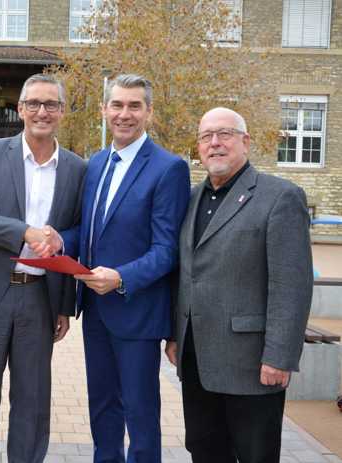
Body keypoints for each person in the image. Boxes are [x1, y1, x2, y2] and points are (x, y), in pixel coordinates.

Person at [50, 74, 191, 462]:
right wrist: (60, 240)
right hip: (96, 313)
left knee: (141, 414)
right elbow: (91, 231)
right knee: (102, 410)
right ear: (104, 110)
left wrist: (122, 278)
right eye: (117, 105)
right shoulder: (95, 164)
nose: (124, 114)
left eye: (134, 106)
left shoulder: (169, 168)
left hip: (138, 312)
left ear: (148, 112)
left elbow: (167, 250)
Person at [165, 107, 313, 463]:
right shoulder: (190, 198)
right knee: (204, 451)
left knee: (254, 455)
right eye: (206, 136)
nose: (214, 143)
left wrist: (280, 357)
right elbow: (186, 272)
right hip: (197, 361)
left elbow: (290, 285)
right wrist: (175, 334)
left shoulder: (279, 197)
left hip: (252, 366)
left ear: (246, 142)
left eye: (225, 134)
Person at [0, 73, 86, 463]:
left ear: (61, 111)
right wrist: (23, 232)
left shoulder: (78, 169)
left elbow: (78, 229)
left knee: (32, 402)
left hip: (39, 300)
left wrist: (63, 303)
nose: (41, 111)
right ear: (20, 109)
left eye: (50, 104)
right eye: (33, 104)